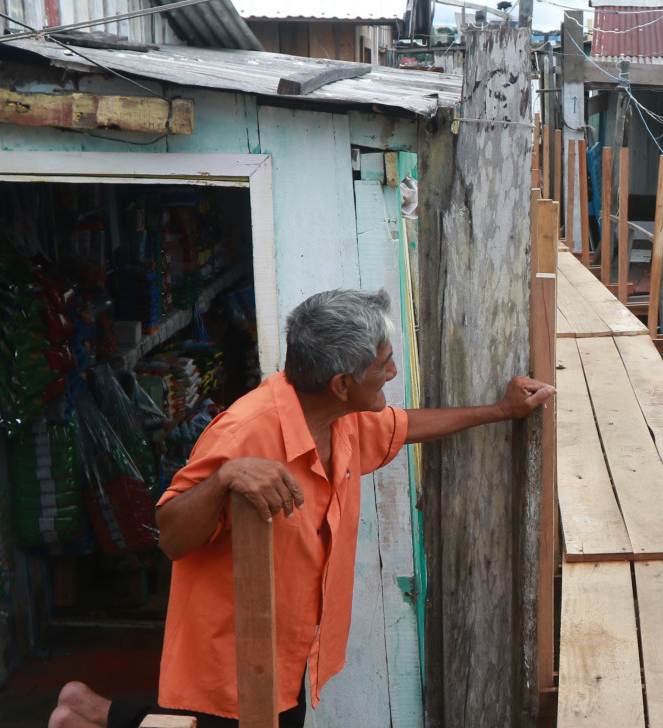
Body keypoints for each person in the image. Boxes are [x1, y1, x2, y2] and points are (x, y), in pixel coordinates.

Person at [50, 289, 554, 728]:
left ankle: (88, 710)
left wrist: (500, 411)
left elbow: (405, 425)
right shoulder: (246, 431)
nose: (393, 372)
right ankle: (88, 712)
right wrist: (225, 477)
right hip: (234, 650)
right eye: (383, 364)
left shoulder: (343, 419)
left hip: (290, 647)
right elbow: (172, 537)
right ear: (341, 383)